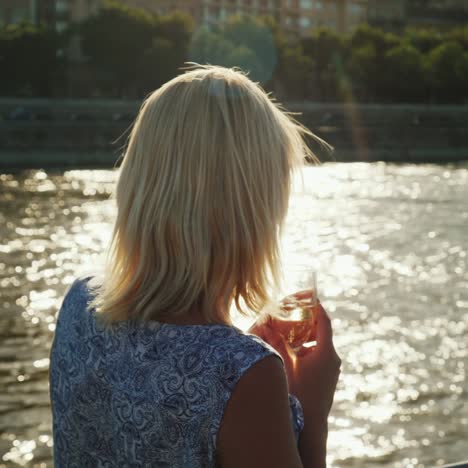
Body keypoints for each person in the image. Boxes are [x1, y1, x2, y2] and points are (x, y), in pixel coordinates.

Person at [49, 65, 341, 468]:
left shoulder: (79, 302)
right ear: (255, 209)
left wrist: (240, 353)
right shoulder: (245, 377)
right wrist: (312, 411)